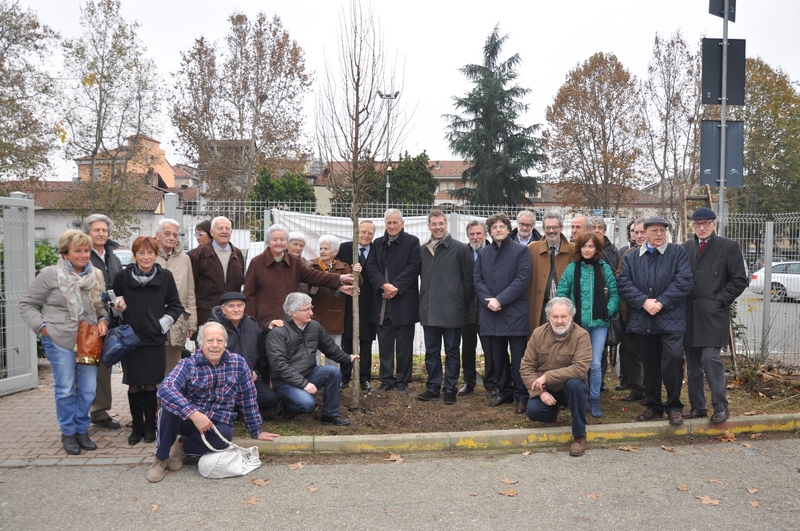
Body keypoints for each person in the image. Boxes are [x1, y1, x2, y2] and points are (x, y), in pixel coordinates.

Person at [147, 322, 280, 483]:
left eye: (219, 341)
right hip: (188, 418)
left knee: (223, 438)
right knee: (168, 409)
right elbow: (165, 389)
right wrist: (193, 413)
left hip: (217, 420)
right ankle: (160, 458)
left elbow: (248, 398)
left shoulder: (238, 363)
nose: (215, 345)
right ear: (201, 344)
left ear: (225, 343)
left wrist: (256, 430)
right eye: (210, 341)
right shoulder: (188, 364)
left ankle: (180, 448)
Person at [21, 230, 109, 455]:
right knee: (65, 389)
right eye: (77, 250)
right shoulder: (50, 274)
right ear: (65, 252)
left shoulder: (96, 275)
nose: (83, 255)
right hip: (60, 339)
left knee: (89, 390)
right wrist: (42, 328)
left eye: (86, 250)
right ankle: (68, 433)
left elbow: (101, 305)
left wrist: (103, 320)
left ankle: (82, 430)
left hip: (88, 341)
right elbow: (27, 303)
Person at [617, 216, 693, 426]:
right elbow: (623, 283)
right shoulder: (633, 257)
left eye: (662, 230)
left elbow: (684, 281)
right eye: (654, 231)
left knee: (673, 359)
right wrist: (643, 301)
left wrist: (660, 302)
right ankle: (654, 405)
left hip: (671, 319)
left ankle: (674, 406)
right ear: (644, 233)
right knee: (650, 364)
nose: (659, 234)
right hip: (644, 320)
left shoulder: (677, 253)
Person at [113, 236, 184, 445]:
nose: (146, 257)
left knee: (152, 384)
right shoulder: (122, 277)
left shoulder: (166, 276)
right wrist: (117, 309)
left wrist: (161, 324)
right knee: (134, 385)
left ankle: (150, 426)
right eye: (141, 253)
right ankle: (136, 427)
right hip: (130, 340)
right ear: (134, 255)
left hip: (154, 340)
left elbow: (175, 306)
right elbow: (113, 302)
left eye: (150, 252)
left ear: (156, 254)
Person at [682, 208, 748, 424]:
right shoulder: (686, 248)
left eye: (706, 223)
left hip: (713, 315)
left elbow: (739, 280)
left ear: (714, 224)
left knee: (710, 359)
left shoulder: (728, 247)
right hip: (690, 315)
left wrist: (719, 300)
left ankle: (721, 407)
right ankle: (698, 407)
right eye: (697, 224)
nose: (702, 228)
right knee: (692, 364)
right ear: (692, 226)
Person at [267, 293, 359, 425]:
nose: (311, 312)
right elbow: (279, 367)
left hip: (310, 373)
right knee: (307, 404)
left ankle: (330, 415)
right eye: (307, 310)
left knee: (333, 371)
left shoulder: (314, 326)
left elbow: (330, 347)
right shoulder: (277, 333)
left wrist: (347, 358)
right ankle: (287, 409)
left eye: (311, 308)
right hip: (285, 382)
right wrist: (304, 384)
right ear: (293, 313)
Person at [556, 232, 620, 418]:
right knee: (578, 364)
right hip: (577, 325)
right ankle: (580, 399)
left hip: (600, 324)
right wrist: (569, 315)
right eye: (584, 246)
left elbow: (615, 294)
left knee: (595, 364)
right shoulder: (571, 269)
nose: (587, 249)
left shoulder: (604, 269)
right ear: (579, 248)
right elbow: (562, 293)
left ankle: (595, 400)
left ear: (597, 249)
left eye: (591, 246)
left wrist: (606, 310)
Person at [520, 298, 592, 457]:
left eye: (564, 316)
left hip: (569, 389)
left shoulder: (582, 336)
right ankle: (552, 412)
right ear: (548, 317)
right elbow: (526, 367)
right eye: (555, 316)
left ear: (571, 316)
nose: (559, 321)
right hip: (546, 390)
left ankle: (579, 436)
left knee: (576, 385)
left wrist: (547, 377)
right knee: (533, 411)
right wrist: (541, 393)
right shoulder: (538, 333)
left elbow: (580, 369)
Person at [475, 213, 532, 413]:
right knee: (497, 356)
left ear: (508, 229)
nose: (498, 229)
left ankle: (522, 396)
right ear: (490, 231)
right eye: (494, 227)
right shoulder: (483, 254)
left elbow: (522, 280)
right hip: (492, 313)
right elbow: (478, 281)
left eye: (502, 226)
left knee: (519, 358)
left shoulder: (521, 251)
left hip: (514, 313)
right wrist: (489, 301)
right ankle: (504, 392)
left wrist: (500, 300)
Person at [244, 224, 354, 328]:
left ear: (287, 242)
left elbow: (314, 276)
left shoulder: (293, 261)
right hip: (266, 322)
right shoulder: (257, 263)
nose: (279, 243)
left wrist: (339, 279)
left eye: (282, 240)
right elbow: (249, 294)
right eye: (274, 239)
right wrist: (251, 322)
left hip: (290, 321)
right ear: (268, 242)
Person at [417, 210, 474, 405]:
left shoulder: (460, 249)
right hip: (429, 311)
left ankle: (450, 388)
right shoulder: (423, 249)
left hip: (453, 312)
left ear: (446, 224)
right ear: (429, 226)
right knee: (431, 352)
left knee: (452, 352)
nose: (438, 227)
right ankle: (433, 387)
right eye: (434, 224)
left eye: (441, 223)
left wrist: (460, 305)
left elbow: (468, 282)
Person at [365, 209, 421, 394]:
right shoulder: (377, 244)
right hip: (382, 303)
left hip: (404, 302)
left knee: (404, 345)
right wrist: (383, 285)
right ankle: (386, 379)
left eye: (395, 222)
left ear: (402, 223)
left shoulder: (412, 242)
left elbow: (414, 267)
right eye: (389, 223)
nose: (392, 226)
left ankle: (403, 380)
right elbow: (371, 266)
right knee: (385, 344)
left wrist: (395, 287)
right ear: (385, 224)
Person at [208, 292, 280, 416]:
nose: (236, 310)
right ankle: (231, 408)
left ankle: (234, 408)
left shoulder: (251, 323)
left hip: (248, 378)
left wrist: (268, 329)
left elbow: (259, 349)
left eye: (239, 306)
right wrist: (242, 373)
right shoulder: (212, 327)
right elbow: (211, 359)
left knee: (270, 398)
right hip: (221, 380)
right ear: (222, 309)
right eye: (231, 306)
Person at [83, 214, 123, 431]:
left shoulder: (112, 256)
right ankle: (88, 410)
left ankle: (99, 410)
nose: (101, 234)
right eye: (96, 230)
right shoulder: (82, 255)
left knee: (104, 366)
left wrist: (118, 302)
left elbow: (117, 285)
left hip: (112, 319)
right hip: (88, 320)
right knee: (87, 366)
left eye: (104, 230)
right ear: (87, 232)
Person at [337, 221, 377, 391]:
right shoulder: (345, 248)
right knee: (347, 341)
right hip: (348, 301)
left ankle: (364, 377)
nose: (366, 235)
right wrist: (349, 270)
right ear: (356, 232)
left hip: (370, 301)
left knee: (366, 341)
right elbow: (337, 270)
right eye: (363, 232)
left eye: (370, 233)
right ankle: (345, 376)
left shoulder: (377, 250)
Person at [155, 218, 197, 375]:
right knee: (153, 371)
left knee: (172, 371)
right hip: (153, 323)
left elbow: (190, 291)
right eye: (167, 234)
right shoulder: (147, 255)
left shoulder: (185, 259)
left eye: (175, 234)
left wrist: (191, 322)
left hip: (178, 321)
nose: (172, 238)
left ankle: (169, 399)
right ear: (157, 235)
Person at [460, 220, 495, 397]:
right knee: (467, 347)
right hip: (466, 309)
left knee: (489, 347)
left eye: (478, 234)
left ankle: (490, 383)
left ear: (485, 235)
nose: (475, 237)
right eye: (472, 234)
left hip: (488, 309)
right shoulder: (462, 252)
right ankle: (469, 381)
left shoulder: (493, 251)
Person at [191, 216, 245, 326]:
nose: (224, 231)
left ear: (231, 232)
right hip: (206, 313)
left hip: (231, 315)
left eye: (227, 228)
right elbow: (191, 286)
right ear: (212, 232)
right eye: (220, 228)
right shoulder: (199, 254)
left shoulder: (237, 254)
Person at [617, 218, 647, 402]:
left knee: (650, 353)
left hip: (653, 312)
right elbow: (619, 277)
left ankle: (651, 389)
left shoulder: (663, 254)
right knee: (631, 351)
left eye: (642, 231)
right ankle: (637, 388)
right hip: (630, 311)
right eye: (636, 232)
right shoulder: (628, 254)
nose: (639, 235)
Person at [528, 212, 574, 329]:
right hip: (541, 306)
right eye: (548, 227)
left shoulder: (573, 249)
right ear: (543, 229)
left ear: (561, 228)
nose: (551, 231)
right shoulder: (532, 249)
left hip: (565, 307)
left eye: (555, 227)